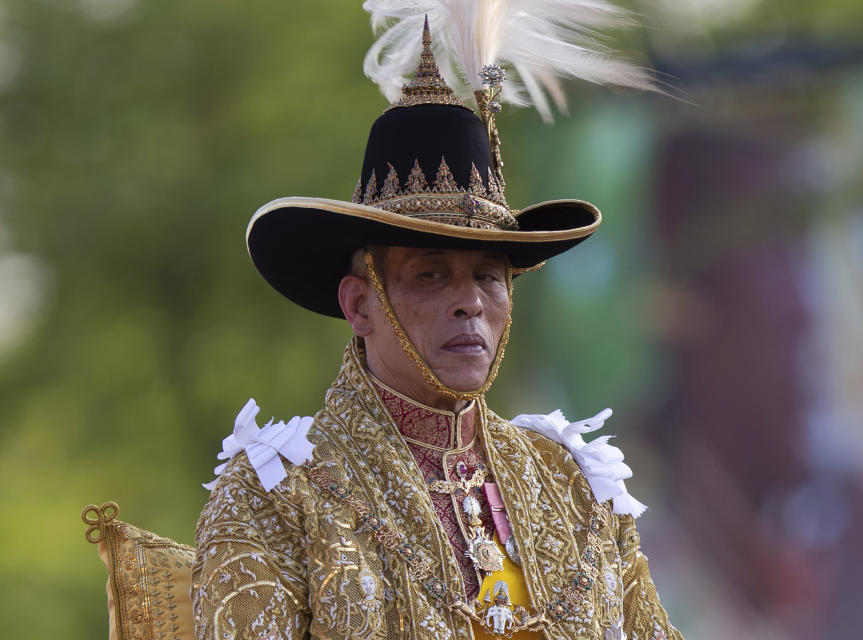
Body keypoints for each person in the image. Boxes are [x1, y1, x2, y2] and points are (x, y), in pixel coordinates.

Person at [191, 7, 682, 640]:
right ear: (359, 305)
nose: (469, 302)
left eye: (487, 275)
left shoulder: (574, 482)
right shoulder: (274, 496)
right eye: (430, 274)